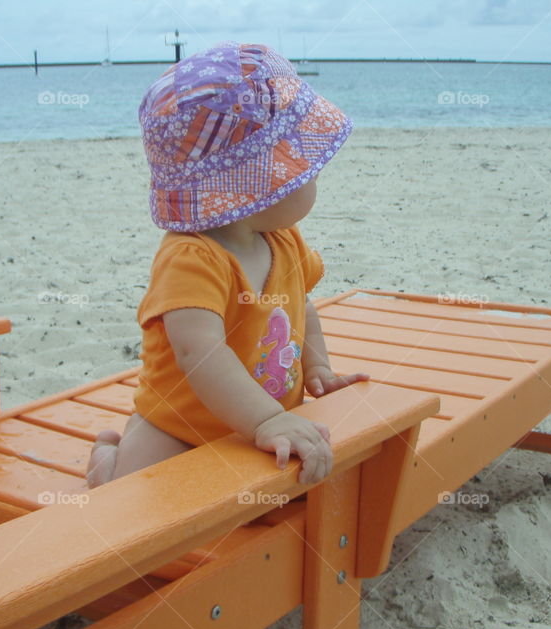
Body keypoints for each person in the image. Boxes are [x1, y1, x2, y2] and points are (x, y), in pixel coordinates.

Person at [86, 41, 369, 488]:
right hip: (179, 423)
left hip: (269, 411)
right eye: (306, 167)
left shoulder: (283, 241)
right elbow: (200, 353)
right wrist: (265, 420)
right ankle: (106, 462)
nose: (315, 176)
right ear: (260, 183)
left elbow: (302, 307)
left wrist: (317, 368)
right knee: (132, 498)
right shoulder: (191, 257)